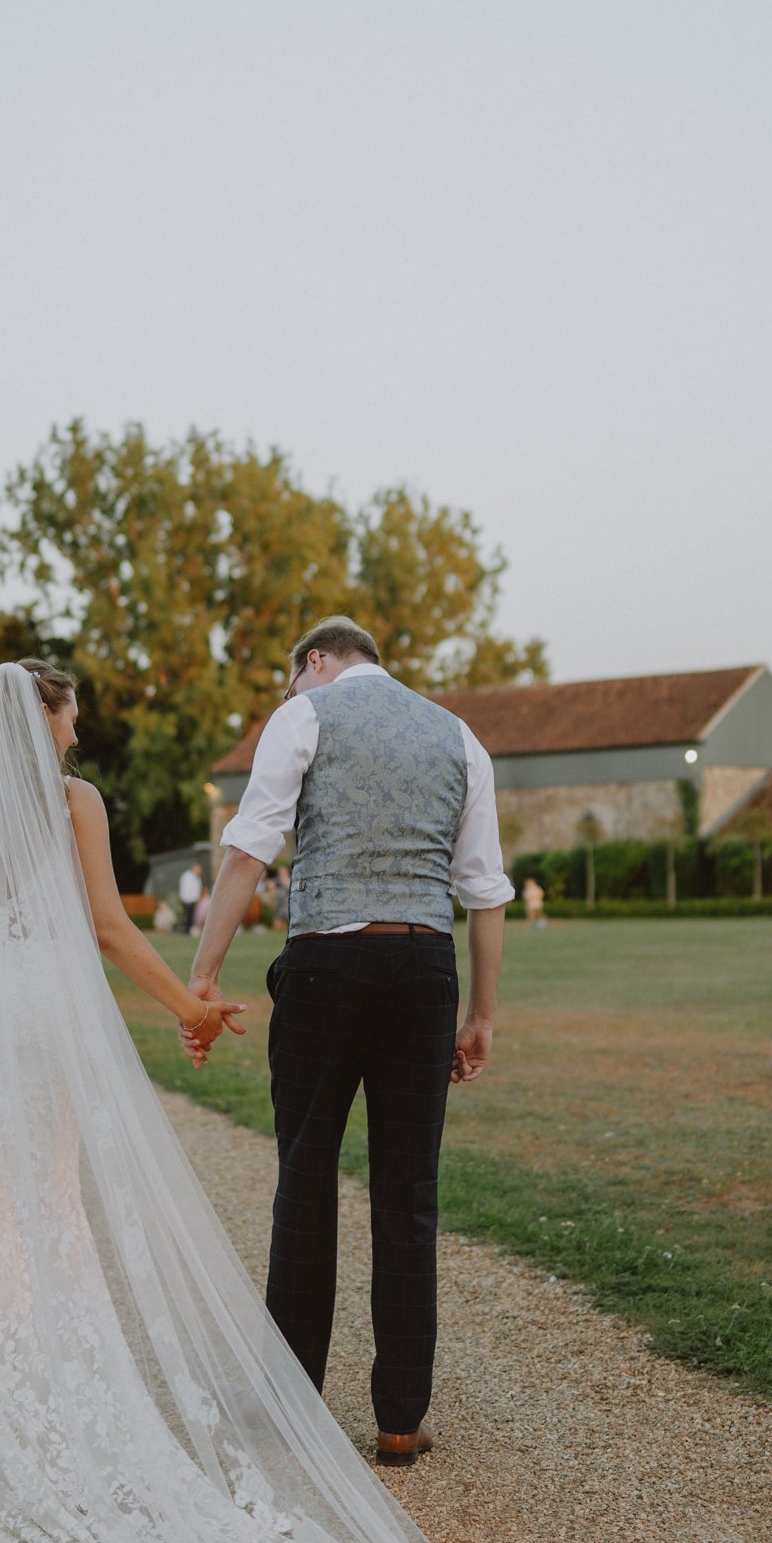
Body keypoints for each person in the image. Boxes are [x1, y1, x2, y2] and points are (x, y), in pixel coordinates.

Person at [0, 657, 607, 1543]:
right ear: (43, 717)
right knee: (52, 1207)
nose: (76, 735)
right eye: (72, 718)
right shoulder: (71, 801)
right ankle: (57, 1396)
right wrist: (187, 1000)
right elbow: (103, 923)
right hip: (43, 1012)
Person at [188, 616, 509, 1470]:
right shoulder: (458, 735)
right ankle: (401, 1422)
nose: (290, 692)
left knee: (305, 1175)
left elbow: (250, 850)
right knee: (409, 1195)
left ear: (317, 661)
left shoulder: (306, 713)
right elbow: (485, 891)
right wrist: (481, 1016)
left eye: (294, 677)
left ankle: (293, 1410)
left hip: (328, 959)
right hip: (424, 966)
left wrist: (203, 977)